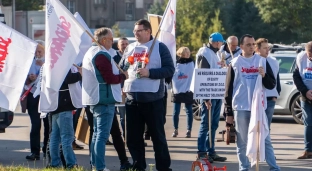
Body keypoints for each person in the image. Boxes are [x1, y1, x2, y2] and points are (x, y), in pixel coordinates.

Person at [119, 19, 174, 171]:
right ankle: (138, 166)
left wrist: (149, 73)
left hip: (153, 99)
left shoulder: (159, 47)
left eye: (139, 30)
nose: (135, 33)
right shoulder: (130, 47)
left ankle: (163, 167)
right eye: (134, 31)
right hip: (132, 99)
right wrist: (122, 72)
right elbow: (123, 66)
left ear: (148, 31)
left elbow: (170, 69)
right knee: (133, 139)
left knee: (158, 138)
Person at [224, 34, 276, 171]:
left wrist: (264, 76)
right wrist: (228, 111)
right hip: (241, 106)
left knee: (265, 138)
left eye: (253, 44)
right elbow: (228, 89)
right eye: (248, 44)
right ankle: (244, 168)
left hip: (258, 107)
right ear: (241, 47)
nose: (251, 47)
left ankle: (274, 168)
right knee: (242, 141)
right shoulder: (235, 63)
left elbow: (271, 84)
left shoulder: (262, 61)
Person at [82, 27, 128, 171]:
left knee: (96, 134)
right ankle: (100, 167)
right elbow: (109, 78)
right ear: (103, 40)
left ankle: (95, 165)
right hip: (104, 99)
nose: (112, 41)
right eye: (110, 39)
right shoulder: (101, 54)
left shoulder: (91, 52)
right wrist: (122, 77)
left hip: (95, 98)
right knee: (101, 136)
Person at [39, 65, 82, 168]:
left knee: (54, 137)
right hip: (64, 104)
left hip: (54, 104)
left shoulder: (48, 64)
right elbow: (68, 78)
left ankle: (54, 164)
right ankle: (71, 164)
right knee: (66, 138)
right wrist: (80, 73)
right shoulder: (61, 63)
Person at [195, 32, 227, 163]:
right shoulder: (205, 53)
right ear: (216, 42)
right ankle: (202, 152)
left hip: (217, 93)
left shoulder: (215, 53)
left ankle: (211, 150)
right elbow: (203, 75)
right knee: (205, 124)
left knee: (213, 124)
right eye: (221, 43)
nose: (221, 45)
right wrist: (206, 97)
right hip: (209, 94)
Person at [255, 38, 281, 170]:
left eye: (268, 48)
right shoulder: (255, 61)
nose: (267, 50)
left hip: (270, 100)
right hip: (257, 101)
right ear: (257, 49)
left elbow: (276, 79)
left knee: (266, 131)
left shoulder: (273, 61)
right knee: (256, 131)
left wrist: (276, 94)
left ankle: (270, 160)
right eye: (264, 48)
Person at [23, 40, 49, 160]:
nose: (38, 53)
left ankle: (47, 150)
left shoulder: (49, 63)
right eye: (36, 51)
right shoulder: (28, 62)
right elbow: (22, 80)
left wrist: (40, 76)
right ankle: (35, 152)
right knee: (35, 125)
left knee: (48, 125)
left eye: (40, 51)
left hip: (47, 97)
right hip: (33, 97)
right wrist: (29, 78)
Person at [293, 41, 312, 159]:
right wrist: (305, 91)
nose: (311, 57)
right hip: (306, 96)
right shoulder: (301, 58)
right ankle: (308, 150)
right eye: (310, 54)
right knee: (308, 123)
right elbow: (296, 77)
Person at [171, 47, 194, 138]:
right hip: (177, 89)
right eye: (185, 53)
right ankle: (175, 129)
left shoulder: (192, 63)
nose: (187, 55)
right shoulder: (175, 63)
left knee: (189, 111)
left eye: (188, 52)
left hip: (188, 89)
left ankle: (189, 130)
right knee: (176, 111)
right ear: (180, 54)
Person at [116, 37, 129, 138]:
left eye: (126, 44)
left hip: (131, 89)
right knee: (122, 116)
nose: (124, 46)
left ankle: (131, 137)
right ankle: (125, 137)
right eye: (122, 44)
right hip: (119, 90)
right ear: (118, 46)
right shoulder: (114, 57)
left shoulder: (131, 55)